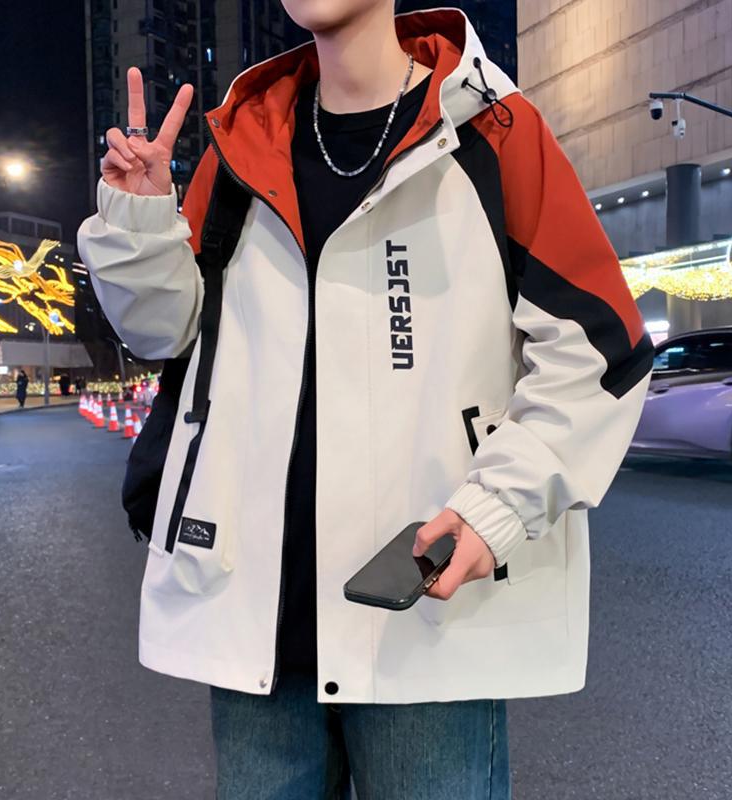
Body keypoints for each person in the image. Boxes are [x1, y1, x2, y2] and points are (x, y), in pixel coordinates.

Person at [76, 3, 655, 798]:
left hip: (420, 611)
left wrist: (498, 506)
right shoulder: (241, 142)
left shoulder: (490, 129)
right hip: (257, 619)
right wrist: (139, 221)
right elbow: (164, 331)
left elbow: (602, 352)